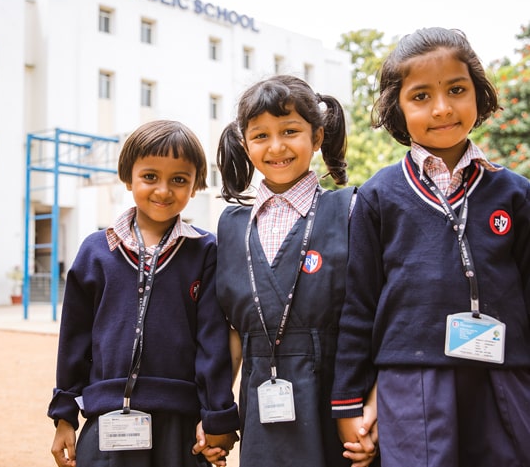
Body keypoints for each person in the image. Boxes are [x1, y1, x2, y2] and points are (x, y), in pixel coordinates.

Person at [332, 27, 530, 467]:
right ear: (397, 109)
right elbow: (359, 304)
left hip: (506, 373)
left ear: (478, 94)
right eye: (420, 96)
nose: (442, 108)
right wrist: (349, 401)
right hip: (410, 380)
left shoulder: (515, 193)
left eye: (457, 90)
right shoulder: (378, 195)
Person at [195, 74, 379, 467]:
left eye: (290, 131)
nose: (276, 147)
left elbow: (375, 320)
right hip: (260, 404)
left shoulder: (352, 209)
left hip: (338, 402)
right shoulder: (230, 226)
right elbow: (232, 332)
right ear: (245, 144)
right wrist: (216, 413)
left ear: (317, 137)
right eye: (260, 136)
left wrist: (369, 410)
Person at [47, 120, 239, 467]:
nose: (163, 191)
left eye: (179, 179)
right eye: (150, 176)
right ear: (128, 177)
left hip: (179, 426)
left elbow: (212, 341)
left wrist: (216, 417)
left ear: (196, 185)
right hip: (106, 420)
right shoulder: (95, 251)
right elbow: (74, 339)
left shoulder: (206, 251)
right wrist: (64, 416)